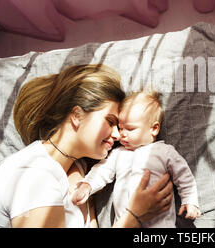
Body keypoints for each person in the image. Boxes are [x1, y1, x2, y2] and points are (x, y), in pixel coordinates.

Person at [0, 64, 173, 228]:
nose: (117, 134)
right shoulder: (35, 175)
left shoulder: (77, 173)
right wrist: (134, 215)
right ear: (77, 115)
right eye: (110, 122)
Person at [72, 91, 200, 227]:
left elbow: (184, 176)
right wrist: (87, 185)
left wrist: (190, 200)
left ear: (154, 129)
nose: (122, 135)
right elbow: (102, 170)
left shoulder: (164, 151)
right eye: (120, 128)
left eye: (130, 129)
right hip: (125, 222)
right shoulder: (118, 153)